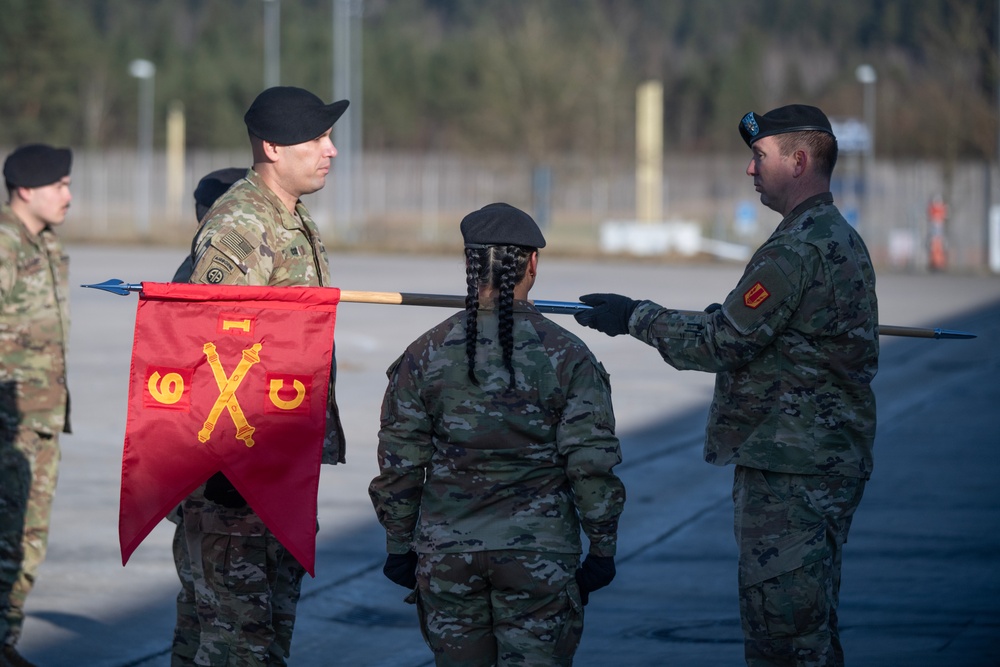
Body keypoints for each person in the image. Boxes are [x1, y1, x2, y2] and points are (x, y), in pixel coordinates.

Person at [574, 105, 878, 666]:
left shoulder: (797, 249)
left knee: (783, 641)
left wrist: (633, 315)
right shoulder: (838, 238)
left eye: (760, 157)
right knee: (809, 630)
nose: (750, 170)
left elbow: (721, 341)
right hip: (821, 463)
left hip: (792, 471)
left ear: (800, 161)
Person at [369, 203, 626, 666]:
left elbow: (400, 461)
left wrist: (398, 545)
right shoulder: (567, 355)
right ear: (531, 263)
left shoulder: (425, 352)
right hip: (538, 556)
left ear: (470, 267)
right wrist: (602, 548)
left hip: (448, 556)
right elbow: (591, 462)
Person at [180, 86, 348, 666]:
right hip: (237, 475)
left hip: (278, 466)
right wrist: (221, 461)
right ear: (273, 147)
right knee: (238, 646)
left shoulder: (288, 218)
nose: (331, 150)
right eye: (317, 138)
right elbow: (203, 345)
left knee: (265, 638)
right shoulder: (242, 227)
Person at [167, 166, 245, 666]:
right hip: (216, 477)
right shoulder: (201, 280)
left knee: (200, 607)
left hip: (208, 477)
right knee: (221, 615)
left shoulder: (191, 271)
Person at [0, 144, 73, 667]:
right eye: (58, 185)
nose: (68, 195)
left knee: (27, 542)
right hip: (9, 421)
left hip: (42, 418)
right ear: (26, 189)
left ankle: (5, 640)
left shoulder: (45, 244)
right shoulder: (4, 246)